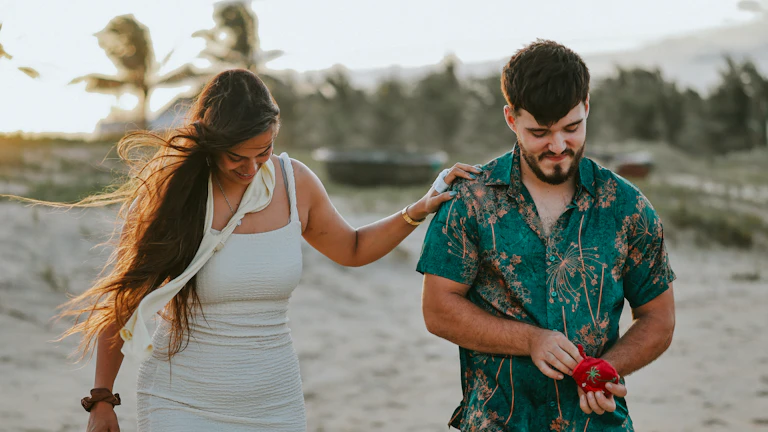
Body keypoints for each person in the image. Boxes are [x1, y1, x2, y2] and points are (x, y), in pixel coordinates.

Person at [42, 69, 480, 432]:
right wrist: (102, 398)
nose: (252, 169)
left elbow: (352, 247)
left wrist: (418, 209)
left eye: (263, 152)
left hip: (275, 404)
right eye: (237, 157)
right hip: (182, 403)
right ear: (210, 144)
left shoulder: (294, 182)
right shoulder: (177, 196)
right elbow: (124, 298)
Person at [416, 39, 676, 431]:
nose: (558, 145)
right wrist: (529, 340)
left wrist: (608, 367)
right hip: (496, 422)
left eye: (572, 128)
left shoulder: (628, 207)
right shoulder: (469, 200)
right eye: (539, 132)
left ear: (587, 107)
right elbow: (438, 310)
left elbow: (658, 318)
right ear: (510, 118)